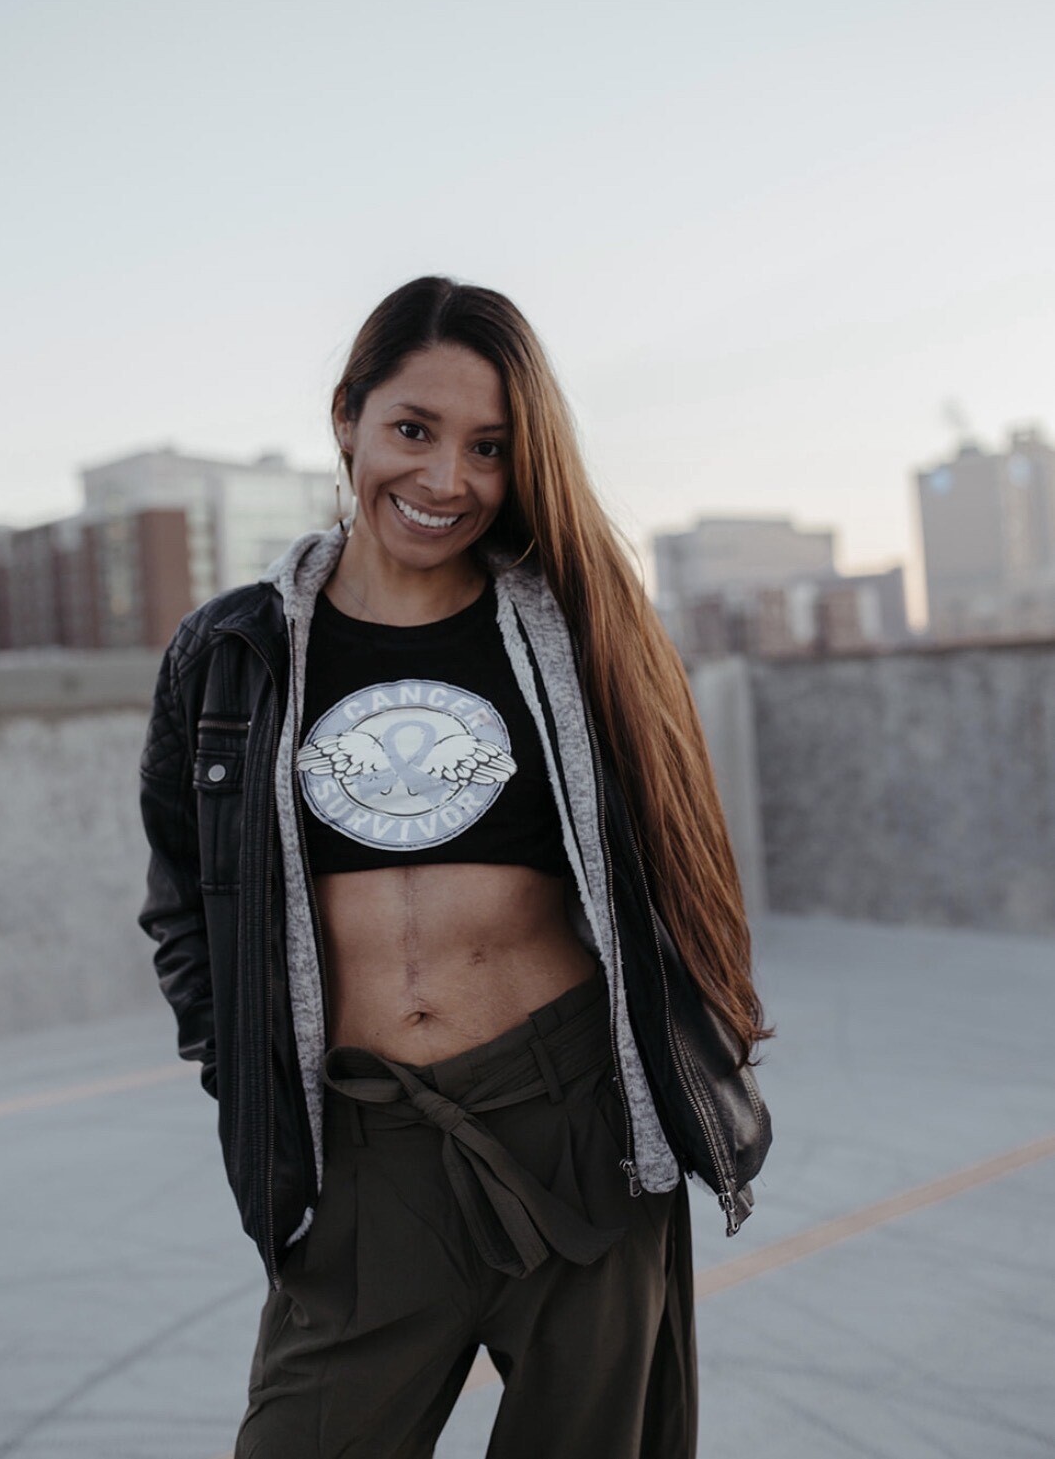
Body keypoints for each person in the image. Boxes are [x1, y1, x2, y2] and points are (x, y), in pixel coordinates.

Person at [138, 276, 771, 1459]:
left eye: (489, 448)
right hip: (369, 1144)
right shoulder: (234, 653)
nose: (446, 480)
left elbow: (676, 857)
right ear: (348, 418)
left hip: (575, 1126)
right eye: (414, 431)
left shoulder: (577, 628)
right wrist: (250, 1076)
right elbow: (184, 903)